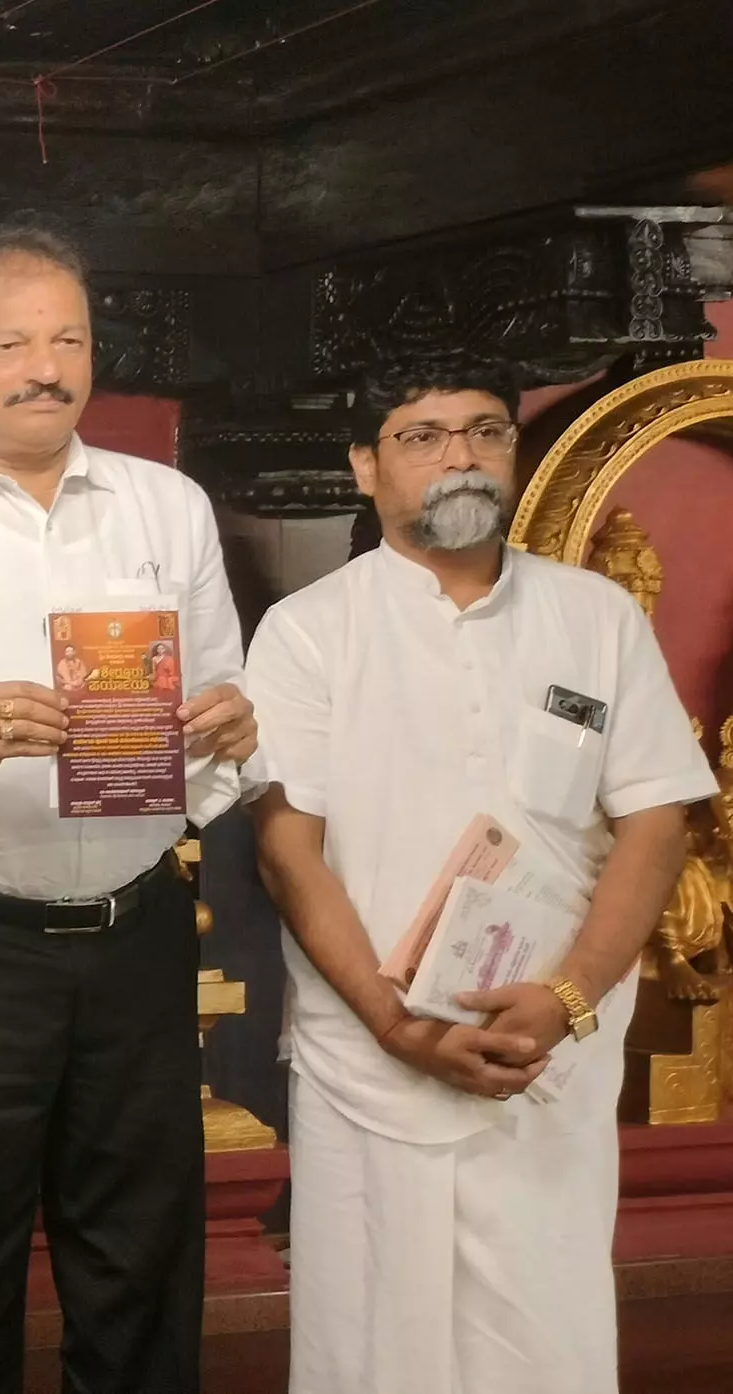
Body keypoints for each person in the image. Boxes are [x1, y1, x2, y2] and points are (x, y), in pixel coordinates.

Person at [0, 224, 257, 1394]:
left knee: (140, 1269)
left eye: (68, 340)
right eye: (12, 343)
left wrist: (229, 732)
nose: (46, 368)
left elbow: (223, 713)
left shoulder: (168, 506)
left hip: (137, 932)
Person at [248, 364, 714, 1394]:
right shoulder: (309, 630)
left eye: (485, 431)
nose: (459, 456)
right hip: (370, 1058)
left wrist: (568, 998)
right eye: (422, 436)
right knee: (371, 1348)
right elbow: (287, 851)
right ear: (365, 465)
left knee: (544, 1347)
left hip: (543, 1055)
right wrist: (396, 1025)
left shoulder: (596, 617)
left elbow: (655, 821)